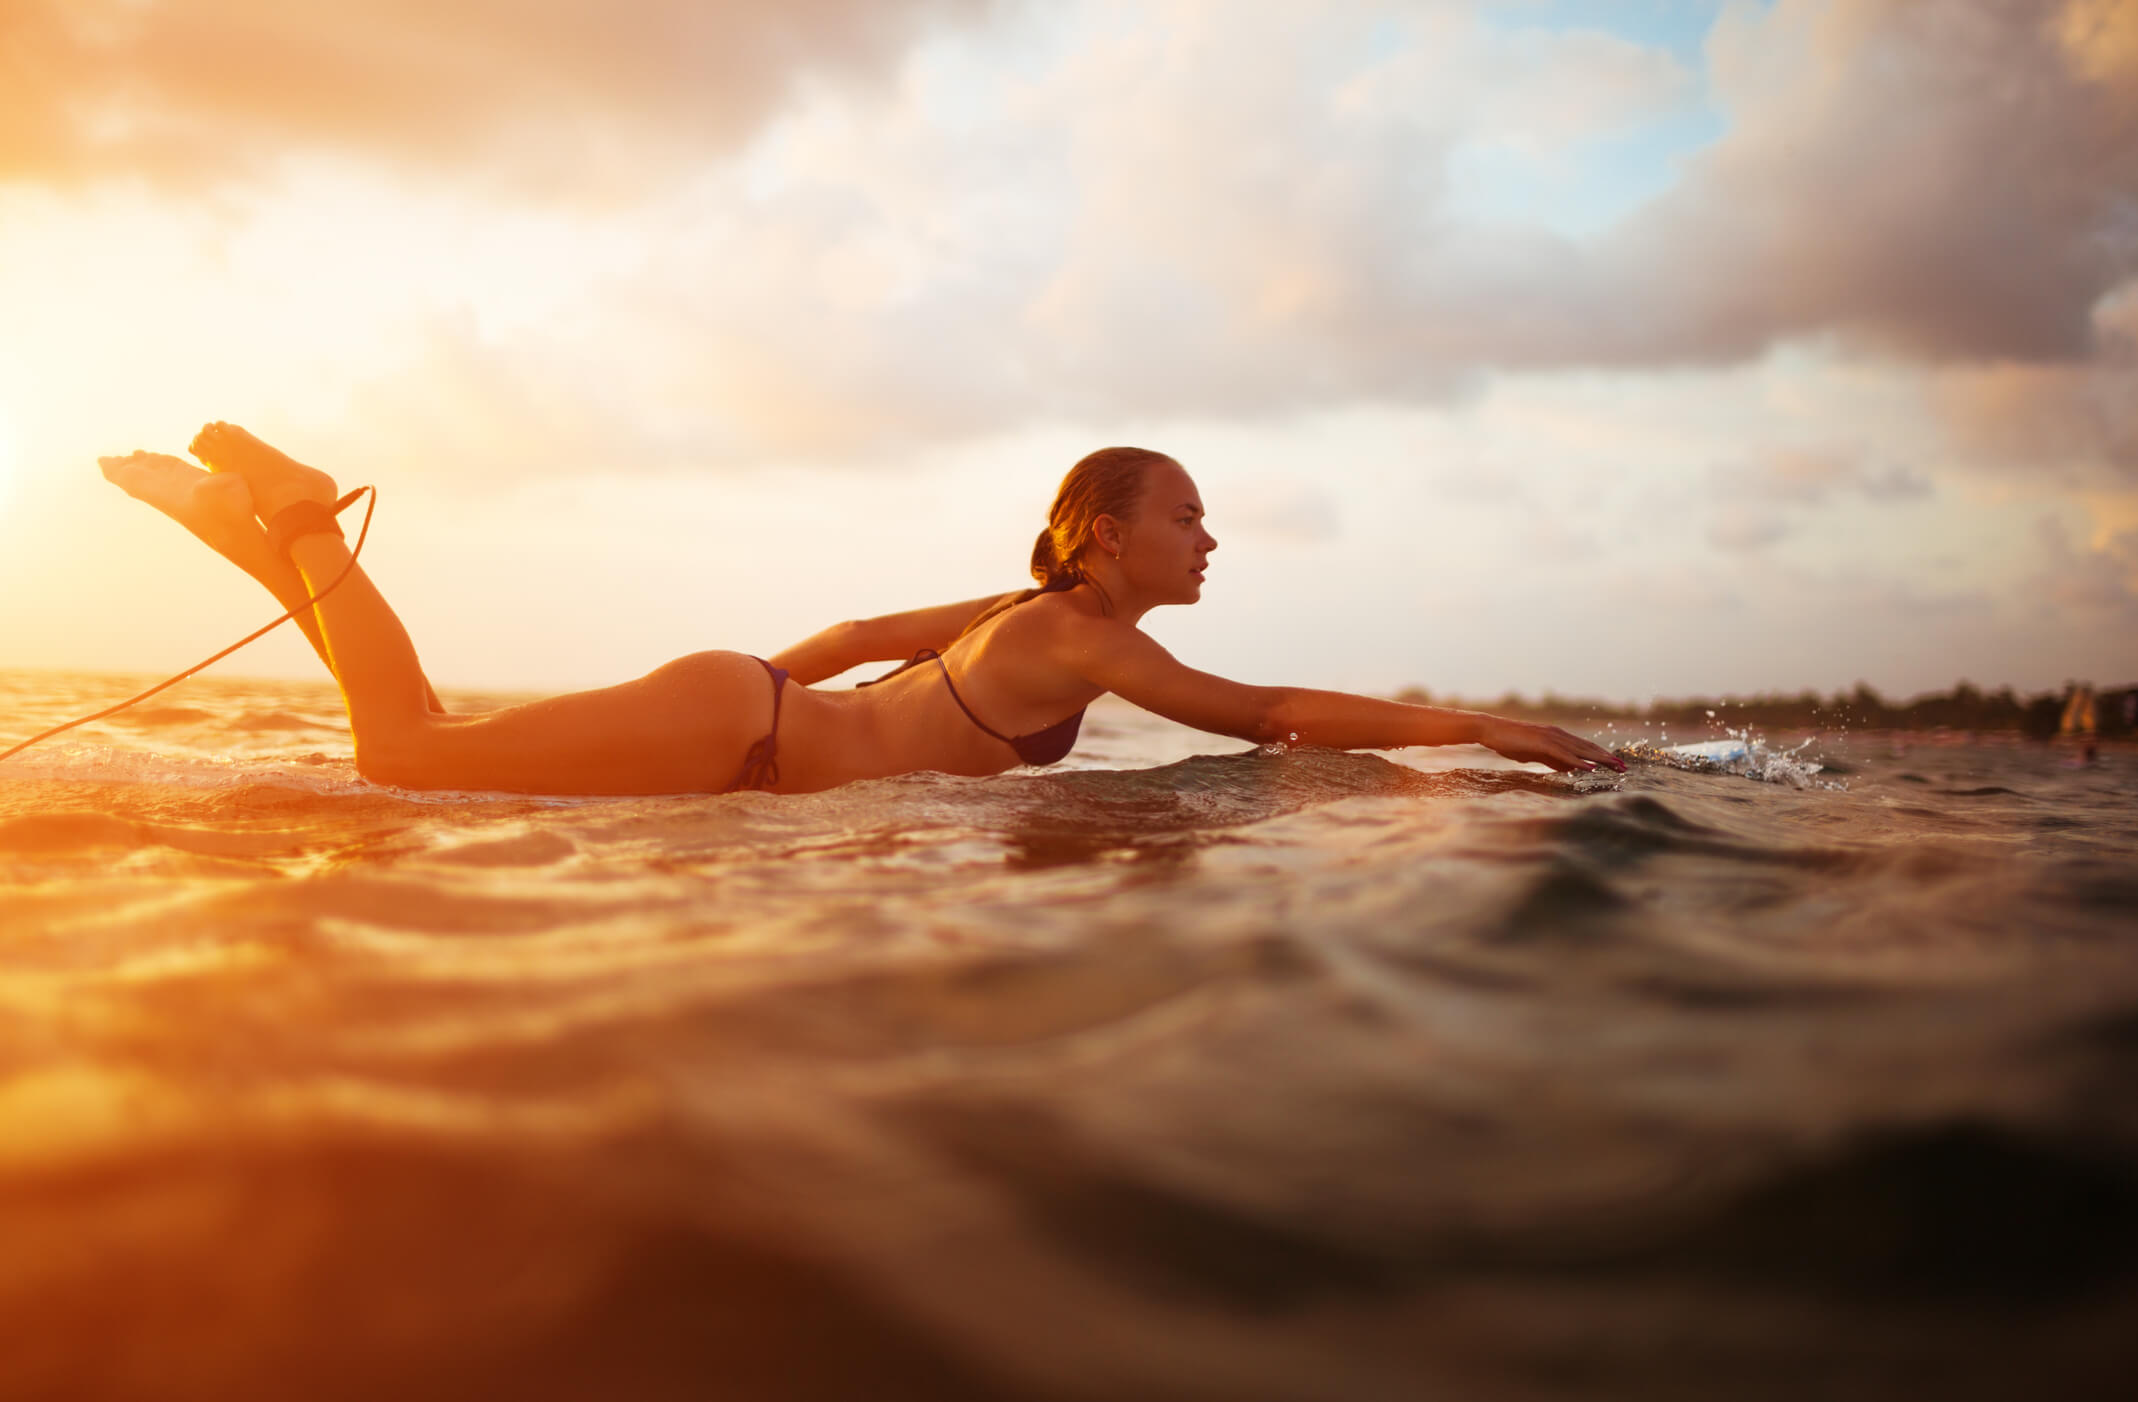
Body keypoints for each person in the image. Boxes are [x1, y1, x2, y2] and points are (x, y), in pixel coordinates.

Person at [99, 425, 1625, 796]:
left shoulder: (1025, 611)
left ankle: (256, 538)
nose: (1211, 535)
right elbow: (1265, 714)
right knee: (402, 757)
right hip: (740, 730)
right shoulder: (1091, 633)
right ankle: (295, 514)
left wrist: (756, 711)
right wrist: (1483, 727)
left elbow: (835, 644)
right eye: (1187, 515)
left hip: (745, 720)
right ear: (1106, 533)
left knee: (412, 749)